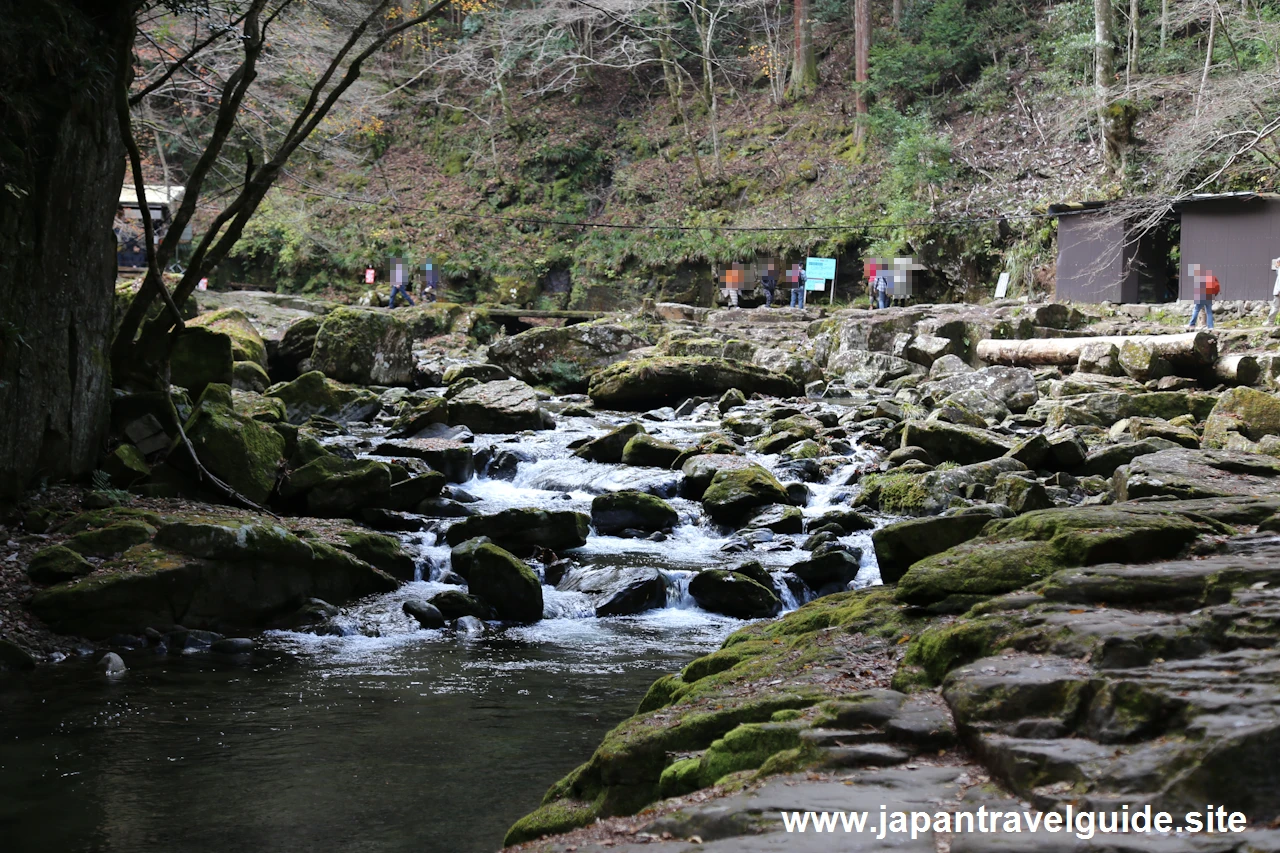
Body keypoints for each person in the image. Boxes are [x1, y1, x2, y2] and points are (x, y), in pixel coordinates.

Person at [1187, 263, 1216, 329]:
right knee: (1209, 312)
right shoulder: (1209, 275)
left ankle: (1192, 324)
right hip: (1210, 296)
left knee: (1196, 310)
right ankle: (1210, 326)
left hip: (1202, 296)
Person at [1269, 258, 1280, 325]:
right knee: (1275, 307)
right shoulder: (1278, 270)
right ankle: (1270, 322)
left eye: (1277, 262)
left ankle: (1270, 322)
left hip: (1278, 292)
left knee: (1275, 307)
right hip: (1278, 291)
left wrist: (1279, 291)